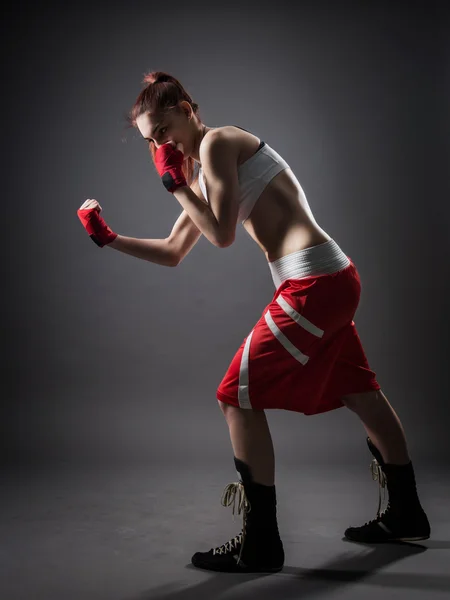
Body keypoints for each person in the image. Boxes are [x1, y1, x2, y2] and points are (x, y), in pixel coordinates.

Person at [77, 71, 431, 574]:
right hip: (328, 278)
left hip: (312, 283)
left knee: (235, 396)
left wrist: (173, 183)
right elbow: (176, 251)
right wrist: (109, 239)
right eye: (151, 141)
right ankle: (406, 512)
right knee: (359, 391)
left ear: (187, 107)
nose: (160, 144)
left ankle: (261, 542)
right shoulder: (202, 171)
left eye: (163, 130)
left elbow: (221, 234)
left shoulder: (219, 142)